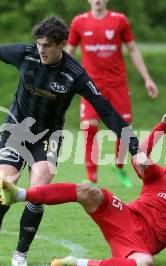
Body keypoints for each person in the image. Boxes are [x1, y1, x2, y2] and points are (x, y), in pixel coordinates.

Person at [0, 16, 148, 266]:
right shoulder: (26, 55)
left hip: (49, 136)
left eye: (48, 45)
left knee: (38, 192)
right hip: (17, 129)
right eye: (39, 44)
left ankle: (20, 253)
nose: (41, 49)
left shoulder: (75, 74)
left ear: (62, 44)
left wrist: (134, 148)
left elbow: (106, 110)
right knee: (3, 187)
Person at [0, 112, 166, 266]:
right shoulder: (160, 176)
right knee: (89, 190)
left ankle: (75, 262)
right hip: (124, 216)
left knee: (146, 263)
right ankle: (19, 194)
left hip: (137, 245)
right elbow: (141, 154)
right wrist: (163, 127)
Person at [67, 0, 158, 187]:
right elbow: (69, 52)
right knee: (89, 127)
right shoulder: (79, 22)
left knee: (124, 130)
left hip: (117, 85)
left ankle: (118, 165)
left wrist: (147, 78)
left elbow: (132, 49)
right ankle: (91, 176)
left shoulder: (119, 20)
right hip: (90, 85)